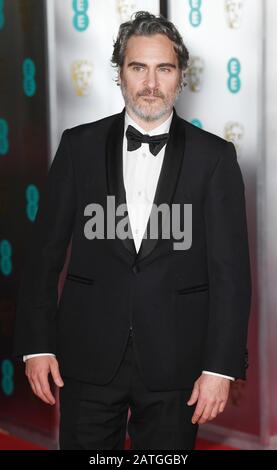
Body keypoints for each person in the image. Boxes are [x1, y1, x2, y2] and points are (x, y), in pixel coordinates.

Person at [14, 11, 251, 450]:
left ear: (181, 76)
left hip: (177, 362)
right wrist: (36, 344)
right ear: (119, 74)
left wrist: (220, 368)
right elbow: (43, 254)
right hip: (85, 356)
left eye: (164, 68)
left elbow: (231, 274)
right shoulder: (77, 146)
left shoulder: (215, 158)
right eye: (137, 67)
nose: (150, 82)